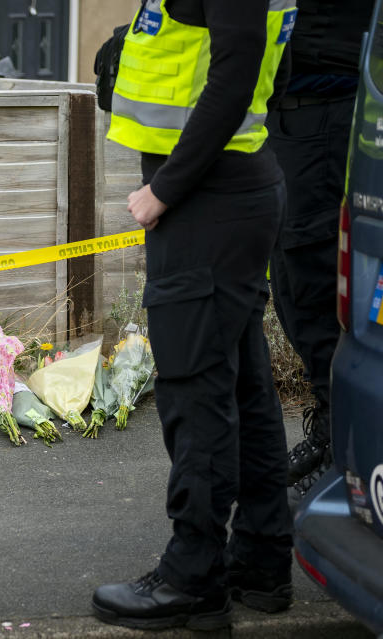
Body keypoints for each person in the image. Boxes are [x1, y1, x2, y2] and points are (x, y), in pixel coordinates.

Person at [90, 0, 295, 630]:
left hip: (208, 198)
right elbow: (262, 73)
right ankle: (260, 561)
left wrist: (166, 188)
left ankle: (193, 577)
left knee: (195, 391)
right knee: (242, 384)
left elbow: (237, 73)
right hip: (232, 185)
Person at [267, 0, 374, 504]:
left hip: (326, 119)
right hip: (287, 118)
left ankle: (342, 450)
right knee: (289, 284)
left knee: (314, 285)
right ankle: (328, 429)